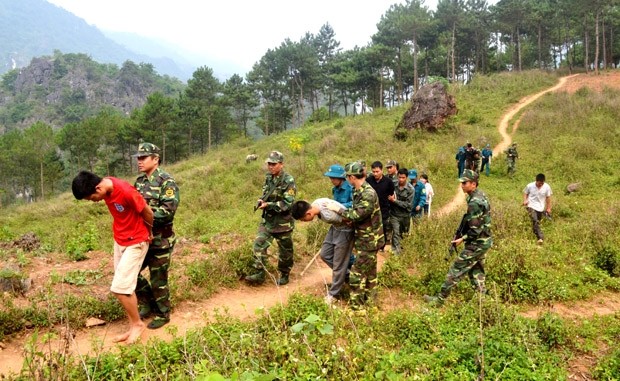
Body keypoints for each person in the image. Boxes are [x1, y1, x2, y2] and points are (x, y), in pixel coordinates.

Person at [72, 170, 153, 344]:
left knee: (120, 288)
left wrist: (150, 232)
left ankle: (138, 324)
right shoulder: (106, 189)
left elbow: (148, 212)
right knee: (124, 287)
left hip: (136, 241)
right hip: (121, 240)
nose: (93, 202)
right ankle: (133, 325)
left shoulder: (125, 191)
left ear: (98, 188)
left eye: (91, 198)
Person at [424, 169, 492, 306]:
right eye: (461, 183)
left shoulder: (474, 202)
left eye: (465, 183)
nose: (462, 185)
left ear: (473, 184)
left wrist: (463, 238)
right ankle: (484, 302)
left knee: (455, 270)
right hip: (484, 241)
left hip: (477, 243)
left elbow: (475, 229)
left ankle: (440, 300)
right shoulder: (480, 195)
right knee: (476, 270)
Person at [133, 142, 180, 329]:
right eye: (138, 158)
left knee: (158, 278)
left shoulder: (166, 182)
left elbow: (168, 211)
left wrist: (144, 212)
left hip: (161, 239)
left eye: (143, 158)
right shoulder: (140, 182)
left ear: (155, 159)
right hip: (142, 239)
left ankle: (163, 313)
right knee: (130, 273)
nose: (140, 161)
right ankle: (147, 303)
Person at [327, 162, 384, 308]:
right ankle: (371, 301)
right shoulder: (357, 191)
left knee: (356, 274)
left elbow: (357, 214)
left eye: (347, 177)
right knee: (370, 273)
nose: (347, 179)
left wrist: (338, 210)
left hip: (370, 239)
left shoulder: (368, 193)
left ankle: (357, 308)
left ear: (352, 177)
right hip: (365, 238)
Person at [245, 151, 297, 286]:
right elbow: (266, 193)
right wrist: (262, 200)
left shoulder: (288, 180)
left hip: (283, 222)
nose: (270, 166)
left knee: (285, 251)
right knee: (259, 244)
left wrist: (269, 205)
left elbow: (287, 203)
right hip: (268, 221)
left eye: (273, 164)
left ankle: (284, 274)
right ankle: (259, 273)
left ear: (281, 164)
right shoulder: (269, 177)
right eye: (269, 164)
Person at [291, 198, 353, 304]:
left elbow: (349, 220)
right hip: (335, 228)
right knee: (325, 254)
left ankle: (334, 294)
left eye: (303, 219)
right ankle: (346, 276)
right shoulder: (316, 203)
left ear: (309, 213)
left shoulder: (328, 216)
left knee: (339, 264)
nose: (303, 221)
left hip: (345, 231)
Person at [366, 161, 394, 251]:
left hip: (384, 209)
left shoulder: (388, 182)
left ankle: (382, 246)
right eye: (373, 171)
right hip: (371, 209)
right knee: (371, 227)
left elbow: (391, 194)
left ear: (381, 170)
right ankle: (372, 245)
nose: (375, 174)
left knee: (383, 227)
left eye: (377, 171)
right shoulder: (369, 180)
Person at [388, 168, 413, 255]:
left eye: (403, 178)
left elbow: (408, 205)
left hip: (405, 216)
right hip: (394, 215)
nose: (401, 179)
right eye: (399, 177)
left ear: (406, 177)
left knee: (404, 235)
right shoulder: (393, 185)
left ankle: (402, 252)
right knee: (396, 233)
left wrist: (394, 201)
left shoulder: (410, 189)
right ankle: (395, 253)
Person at [523, 173, 552, 244]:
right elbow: (525, 193)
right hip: (531, 205)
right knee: (534, 220)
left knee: (537, 222)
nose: (540, 185)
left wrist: (548, 208)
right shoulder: (530, 185)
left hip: (540, 207)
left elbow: (548, 198)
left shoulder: (547, 187)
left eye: (542, 183)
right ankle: (540, 238)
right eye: (539, 183)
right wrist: (525, 200)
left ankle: (533, 232)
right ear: (536, 181)